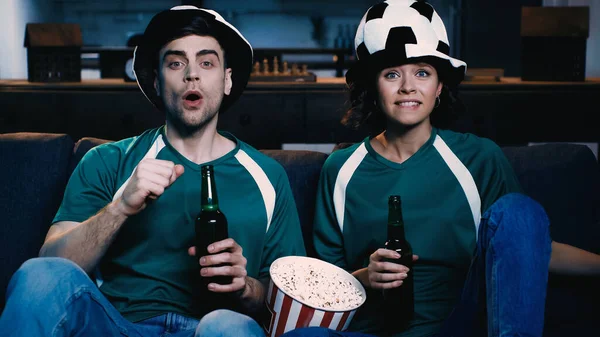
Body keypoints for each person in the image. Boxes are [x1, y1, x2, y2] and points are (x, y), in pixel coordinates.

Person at [281, 1, 600, 337]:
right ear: (374, 89)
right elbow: (326, 282)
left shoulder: (479, 157)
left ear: (439, 85)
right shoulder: (340, 168)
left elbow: (527, 246)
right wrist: (365, 276)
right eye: (392, 74)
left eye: (422, 72)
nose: (408, 87)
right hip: (375, 330)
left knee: (518, 210)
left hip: (460, 325)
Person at [0, 5, 305, 337]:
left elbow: (288, 296)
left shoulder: (268, 176)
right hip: (115, 326)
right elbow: (51, 268)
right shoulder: (107, 160)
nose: (192, 74)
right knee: (39, 275)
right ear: (158, 82)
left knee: (228, 325)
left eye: (206, 62)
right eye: (176, 63)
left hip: (212, 329)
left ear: (227, 80)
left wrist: (244, 287)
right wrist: (120, 208)